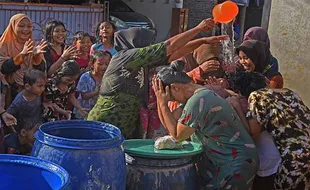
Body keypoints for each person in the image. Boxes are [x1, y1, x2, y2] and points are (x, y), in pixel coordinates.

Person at [87, 19, 228, 139]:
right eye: (147, 43)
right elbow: (169, 45)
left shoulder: (142, 62)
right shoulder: (126, 57)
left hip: (123, 129)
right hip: (105, 124)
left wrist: (202, 41)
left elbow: (175, 52)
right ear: (135, 42)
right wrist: (199, 28)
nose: (150, 46)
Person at [152, 63, 259, 189]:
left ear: (175, 87)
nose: (173, 102)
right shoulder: (197, 97)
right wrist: (160, 100)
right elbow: (169, 124)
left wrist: (163, 104)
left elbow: (177, 135)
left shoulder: (198, 100)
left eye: (171, 98)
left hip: (235, 163)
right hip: (227, 162)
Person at [229, 71, 310, 190]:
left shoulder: (257, 96)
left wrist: (236, 106)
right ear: (266, 80)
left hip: (295, 160)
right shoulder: (290, 92)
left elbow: (253, 133)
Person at [0, 14, 47, 104]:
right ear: (13, 26)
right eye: (21, 26)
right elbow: (3, 69)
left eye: (29, 26)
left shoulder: (33, 45)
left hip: (33, 94)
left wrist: (36, 57)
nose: (25, 29)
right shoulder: (3, 46)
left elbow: (41, 71)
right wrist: (22, 55)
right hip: (10, 94)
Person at [73, 51, 111, 119]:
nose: (104, 67)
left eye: (107, 64)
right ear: (92, 64)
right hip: (84, 111)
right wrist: (95, 93)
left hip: (100, 113)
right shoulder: (86, 77)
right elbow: (84, 96)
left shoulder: (109, 78)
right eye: (100, 64)